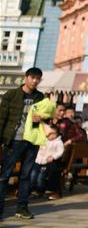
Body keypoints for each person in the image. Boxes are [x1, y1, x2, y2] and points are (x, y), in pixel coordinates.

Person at [0, 67, 49, 220]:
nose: (35, 81)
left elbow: (47, 115)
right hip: (14, 140)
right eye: (32, 77)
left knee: (26, 176)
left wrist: (41, 117)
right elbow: (2, 118)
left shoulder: (40, 97)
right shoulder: (12, 95)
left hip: (32, 141)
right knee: (5, 175)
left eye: (38, 78)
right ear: (26, 78)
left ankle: (22, 208)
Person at [30, 126, 64, 198]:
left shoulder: (58, 142)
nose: (50, 136)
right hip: (38, 160)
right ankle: (32, 189)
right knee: (33, 174)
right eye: (48, 134)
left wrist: (53, 157)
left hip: (47, 161)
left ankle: (39, 190)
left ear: (57, 134)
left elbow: (60, 152)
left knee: (41, 176)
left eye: (53, 134)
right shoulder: (43, 140)